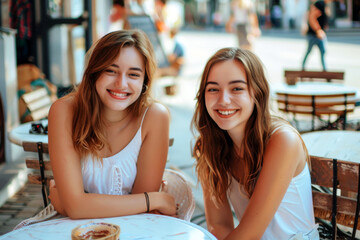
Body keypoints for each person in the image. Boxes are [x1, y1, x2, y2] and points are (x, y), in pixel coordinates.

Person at [48, 30, 176, 219]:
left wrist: (69, 204)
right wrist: (154, 200)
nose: (121, 83)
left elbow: (140, 214)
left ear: (144, 82)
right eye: (111, 70)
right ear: (94, 72)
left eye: (133, 74)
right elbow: (75, 208)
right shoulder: (64, 111)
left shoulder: (154, 116)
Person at [192, 47, 319, 239]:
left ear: (257, 93)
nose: (223, 100)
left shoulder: (283, 141)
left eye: (237, 88)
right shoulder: (210, 146)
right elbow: (218, 225)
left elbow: (247, 235)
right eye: (213, 89)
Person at [302, 0, 329, 71]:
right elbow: (312, 17)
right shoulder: (319, 4)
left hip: (319, 34)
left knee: (323, 51)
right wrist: (318, 30)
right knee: (309, 51)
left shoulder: (324, 5)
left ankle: (324, 69)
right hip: (313, 35)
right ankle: (303, 67)